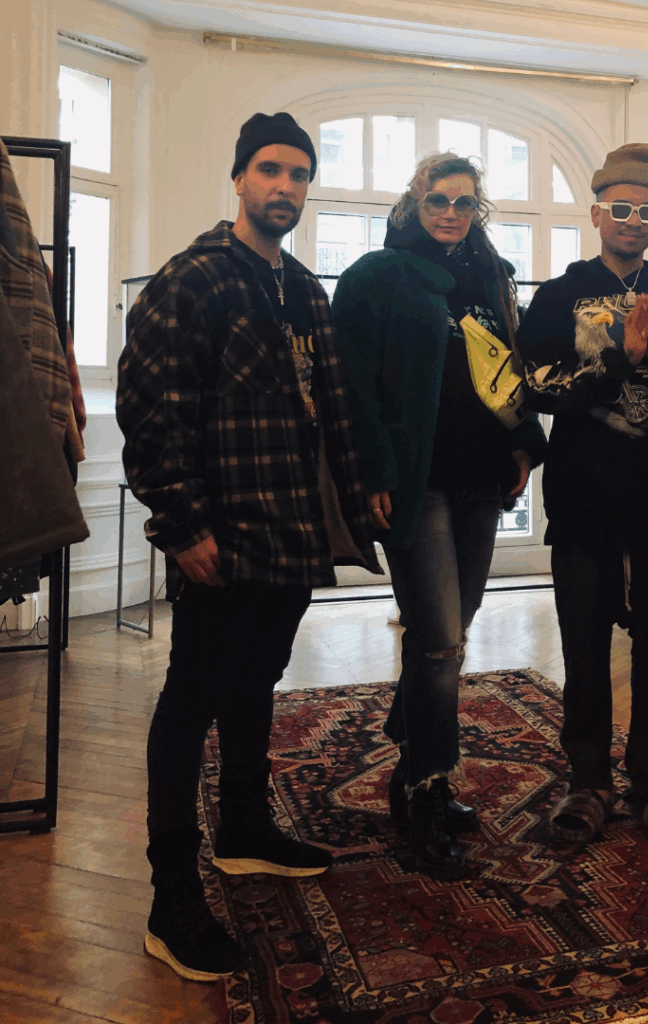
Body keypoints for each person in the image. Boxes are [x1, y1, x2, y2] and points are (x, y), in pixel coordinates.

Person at [118, 112, 381, 982]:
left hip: (292, 532)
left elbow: (332, 411)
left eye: (299, 174)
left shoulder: (305, 290)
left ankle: (242, 829)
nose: (285, 187)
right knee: (191, 698)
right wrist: (181, 524)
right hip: (220, 535)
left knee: (257, 679)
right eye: (270, 169)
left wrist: (357, 505)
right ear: (239, 178)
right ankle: (171, 898)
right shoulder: (191, 279)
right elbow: (150, 410)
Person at [331, 153, 547, 880]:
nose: (451, 213)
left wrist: (523, 444)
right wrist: (371, 472)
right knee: (442, 643)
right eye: (437, 200)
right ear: (413, 203)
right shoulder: (378, 275)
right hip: (415, 483)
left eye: (463, 202)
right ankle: (425, 787)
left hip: (481, 480)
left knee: (444, 634)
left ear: (476, 208)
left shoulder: (488, 278)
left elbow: (508, 374)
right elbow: (351, 384)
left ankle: (411, 758)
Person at [517, 143, 648, 846]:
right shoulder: (559, 295)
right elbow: (534, 387)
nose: (633, 222)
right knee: (583, 649)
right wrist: (616, 363)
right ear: (596, 213)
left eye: (647, 212)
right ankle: (587, 782)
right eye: (621, 209)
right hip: (583, 500)